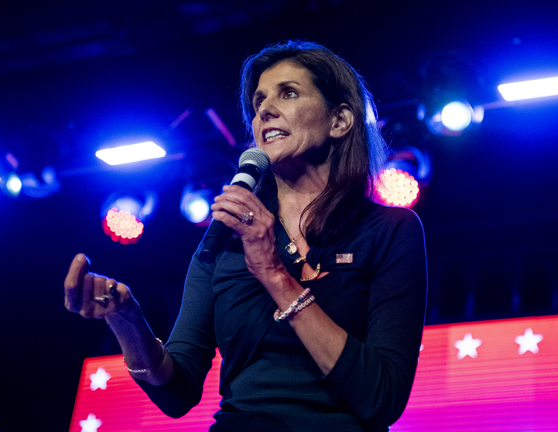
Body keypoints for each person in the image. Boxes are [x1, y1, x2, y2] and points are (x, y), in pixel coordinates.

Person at [64, 40, 428, 432]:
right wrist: (127, 320)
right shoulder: (223, 241)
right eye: (258, 102)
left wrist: (274, 274)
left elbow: (383, 397)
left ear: (339, 120)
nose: (265, 110)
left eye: (288, 93)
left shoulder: (390, 231)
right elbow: (176, 393)